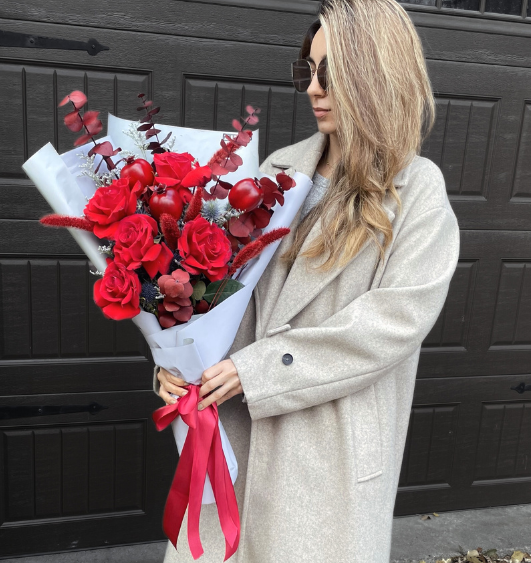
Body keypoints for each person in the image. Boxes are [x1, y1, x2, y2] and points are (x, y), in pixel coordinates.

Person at [154, 1, 460, 561]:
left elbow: (394, 321)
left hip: (328, 451)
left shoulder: (416, 190)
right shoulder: (277, 170)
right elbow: (224, 290)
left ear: (378, 75)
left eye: (330, 73)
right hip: (237, 430)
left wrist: (259, 369)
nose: (313, 89)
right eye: (307, 71)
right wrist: (179, 358)